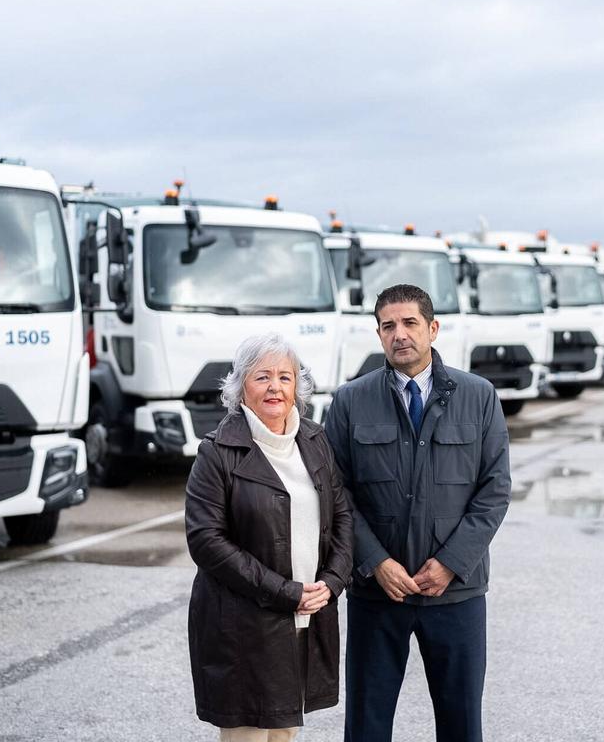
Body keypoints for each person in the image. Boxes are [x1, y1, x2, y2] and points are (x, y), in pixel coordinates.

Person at [325, 284, 512, 742]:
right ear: (378, 334)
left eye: (410, 323)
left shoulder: (478, 396)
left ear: (433, 328)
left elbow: (495, 489)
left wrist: (451, 562)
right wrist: (375, 562)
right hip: (377, 593)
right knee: (366, 725)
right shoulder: (351, 401)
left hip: (456, 593)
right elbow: (334, 492)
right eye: (388, 326)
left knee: (461, 723)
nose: (400, 334)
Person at [185, 333, 353, 741]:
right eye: (262, 377)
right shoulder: (217, 451)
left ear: (297, 386)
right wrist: (284, 592)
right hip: (243, 628)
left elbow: (343, 517)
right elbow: (207, 541)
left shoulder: (315, 441)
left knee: (284, 734)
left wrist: (332, 582)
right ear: (240, 387)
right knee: (248, 734)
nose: (274, 387)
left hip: (305, 616)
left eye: (284, 377)